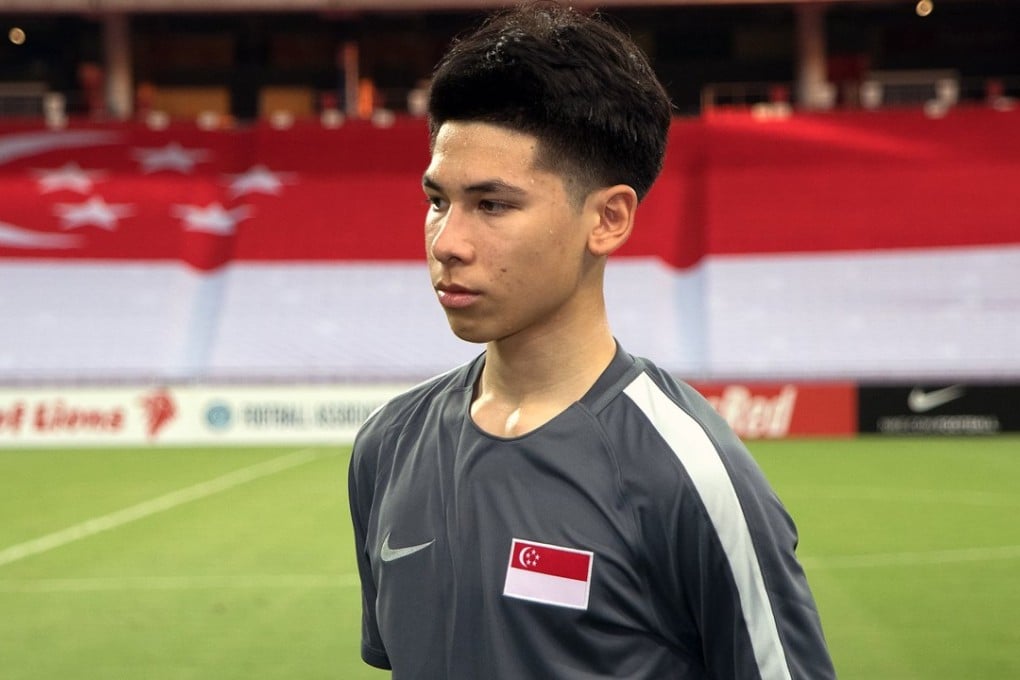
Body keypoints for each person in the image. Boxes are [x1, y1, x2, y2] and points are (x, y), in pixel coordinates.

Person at [348, 2, 836, 678]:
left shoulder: (687, 474)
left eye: (492, 205)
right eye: (438, 201)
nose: (448, 243)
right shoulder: (387, 444)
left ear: (607, 219)